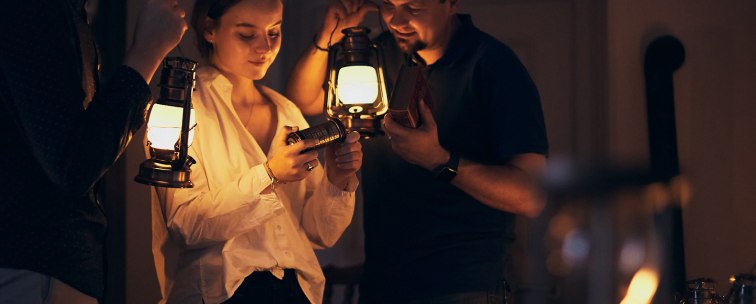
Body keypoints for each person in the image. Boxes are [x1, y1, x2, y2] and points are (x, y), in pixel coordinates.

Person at [286, 0, 549, 303]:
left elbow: (532, 196)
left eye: (412, 7)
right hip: (383, 281)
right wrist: (327, 37)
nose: (397, 20)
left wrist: (438, 160)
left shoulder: (495, 66)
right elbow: (302, 100)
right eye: (387, 5)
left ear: (450, 4)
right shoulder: (380, 52)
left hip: (466, 283)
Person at [0, 0, 187, 302]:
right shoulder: (29, 9)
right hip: (27, 272)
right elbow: (74, 163)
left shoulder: (61, 14)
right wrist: (146, 53)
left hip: (31, 273)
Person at [149, 0, 363, 303]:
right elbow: (186, 224)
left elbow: (319, 233)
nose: (264, 47)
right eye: (247, 35)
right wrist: (269, 175)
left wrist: (338, 180)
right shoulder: (182, 111)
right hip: (221, 291)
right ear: (210, 30)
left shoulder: (286, 111)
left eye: (274, 33)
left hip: (296, 288)